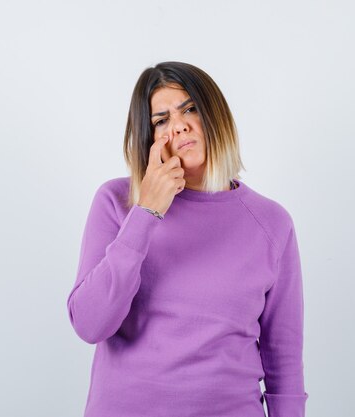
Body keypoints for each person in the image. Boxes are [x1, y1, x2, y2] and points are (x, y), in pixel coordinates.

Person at [66, 61, 309, 417]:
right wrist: (146, 212)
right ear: (150, 138)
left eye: (190, 109)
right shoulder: (117, 203)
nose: (178, 126)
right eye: (161, 120)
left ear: (216, 115)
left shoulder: (271, 223)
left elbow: (283, 360)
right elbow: (90, 324)